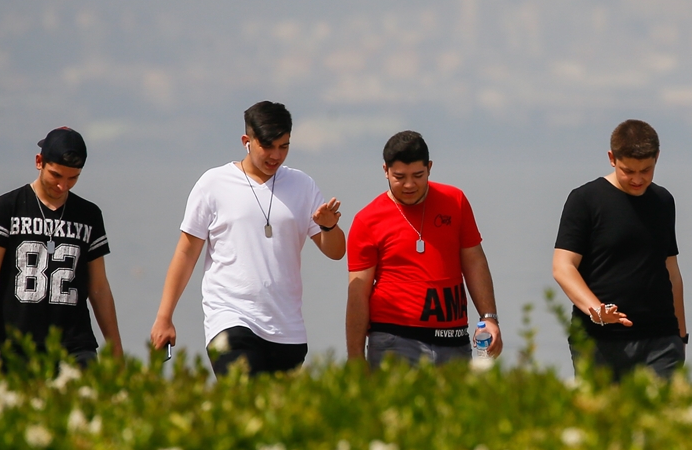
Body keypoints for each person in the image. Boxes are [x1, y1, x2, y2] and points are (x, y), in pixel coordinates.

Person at [150, 102, 344, 375]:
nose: (276, 155)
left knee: (276, 416)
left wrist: (328, 227)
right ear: (247, 141)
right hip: (230, 320)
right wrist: (164, 317)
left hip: (287, 330)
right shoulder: (213, 183)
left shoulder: (303, 185)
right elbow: (186, 253)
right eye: (268, 146)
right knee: (243, 404)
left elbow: (336, 252)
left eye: (284, 146)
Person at [0, 127, 123, 373]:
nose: (63, 186)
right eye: (56, 175)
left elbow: (99, 287)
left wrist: (115, 349)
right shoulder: (8, 207)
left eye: (73, 178)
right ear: (39, 162)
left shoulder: (89, 215)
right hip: (20, 346)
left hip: (77, 346)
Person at [347, 130, 502, 367]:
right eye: (399, 177)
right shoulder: (367, 220)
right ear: (385, 171)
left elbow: (474, 261)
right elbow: (358, 293)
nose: (409, 184)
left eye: (418, 175)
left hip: (454, 338)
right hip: (394, 339)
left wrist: (489, 318)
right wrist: (355, 357)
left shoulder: (455, 200)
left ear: (429, 167)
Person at [552, 119, 687, 380]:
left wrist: (681, 335)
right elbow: (563, 267)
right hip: (599, 342)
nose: (638, 179)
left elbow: (672, 272)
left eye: (646, 170)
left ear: (657, 158)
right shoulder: (585, 200)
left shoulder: (663, 201)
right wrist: (597, 312)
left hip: (661, 341)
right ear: (612, 158)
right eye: (629, 171)